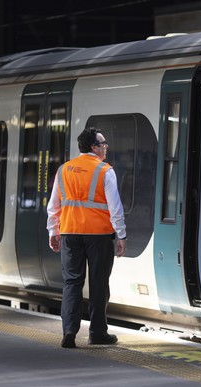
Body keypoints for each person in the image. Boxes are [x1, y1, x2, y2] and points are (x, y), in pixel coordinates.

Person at [47, 127, 127, 348]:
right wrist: (121, 234)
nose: (106, 148)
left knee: (72, 282)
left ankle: (69, 332)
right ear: (94, 147)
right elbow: (115, 207)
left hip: (70, 233)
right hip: (99, 235)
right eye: (103, 144)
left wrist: (53, 230)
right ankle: (97, 332)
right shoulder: (105, 171)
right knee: (99, 283)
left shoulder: (64, 169)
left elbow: (54, 204)